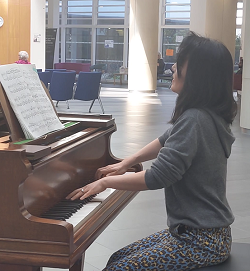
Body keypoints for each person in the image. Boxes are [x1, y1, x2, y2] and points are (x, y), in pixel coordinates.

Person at [67, 32, 237, 271]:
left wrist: (107, 183)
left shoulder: (195, 119)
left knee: (118, 268)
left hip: (199, 242)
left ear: (199, 74)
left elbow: (158, 177)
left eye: (181, 62)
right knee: (117, 257)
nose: (173, 67)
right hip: (207, 235)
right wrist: (128, 161)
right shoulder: (206, 114)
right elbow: (165, 140)